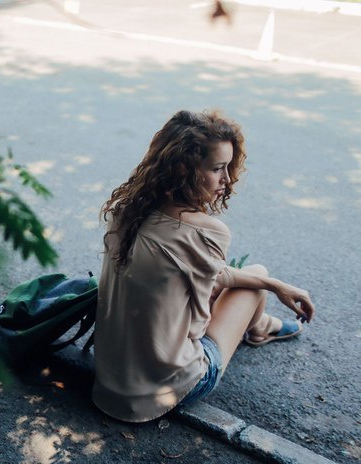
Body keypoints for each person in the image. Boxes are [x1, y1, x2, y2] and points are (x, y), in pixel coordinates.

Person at [92, 110, 315, 423]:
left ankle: (262, 324)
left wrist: (278, 286)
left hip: (107, 385)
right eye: (218, 169)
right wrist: (268, 283)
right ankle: (259, 327)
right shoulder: (204, 230)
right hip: (160, 393)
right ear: (185, 169)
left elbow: (205, 272)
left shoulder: (127, 209)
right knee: (257, 277)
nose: (226, 180)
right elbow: (198, 325)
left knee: (257, 279)